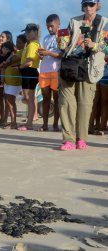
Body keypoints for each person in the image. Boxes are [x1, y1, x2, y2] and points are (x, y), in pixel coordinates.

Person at [58, 0, 108, 150]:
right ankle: (68, 139)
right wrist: (61, 40)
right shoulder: (73, 21)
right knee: (66, 102)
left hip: (90, 67)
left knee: (85, 105)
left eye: (91, 4)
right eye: (85, 4)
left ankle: (81, 139)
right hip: (69, 65)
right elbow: (64, 43)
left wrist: (96, 45)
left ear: (97, 5)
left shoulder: (105, 23)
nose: (88, 7)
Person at [37, 14, 62, 132]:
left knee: (57, 99)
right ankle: (45, 124)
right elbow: (45, 54)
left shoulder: (64, 35)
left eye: (52, 26)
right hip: (44, 70)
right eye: (48, 26)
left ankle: (56, 124)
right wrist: (41, 54)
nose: (49, 29)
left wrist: (48, 53)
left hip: (56, 70)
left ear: (58, 24)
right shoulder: (46, 37)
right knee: (46, 98)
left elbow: (63, 55)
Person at [17, 24, 41, 131]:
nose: (26, 34)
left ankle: (29, 123)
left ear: (35, 32)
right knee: (29, 98)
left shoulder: (32, 45)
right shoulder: (32, 44)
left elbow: (29, 62)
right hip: (30, 71)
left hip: (29, 71)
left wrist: (20, 67)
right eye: (26, 32)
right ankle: (29, 122)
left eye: (28, 32)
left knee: (28, 98)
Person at [0, 42, 21, 129]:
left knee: (10, 101)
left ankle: (14, 122)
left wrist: (6, 63)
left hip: (14, 80)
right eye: (3, 48)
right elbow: (3, 66)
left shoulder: (16, 54)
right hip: (7, 81)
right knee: (9, 101)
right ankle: (13, 121)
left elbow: (9, 63)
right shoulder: (6, 56)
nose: (3, 50)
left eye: (6, 48)